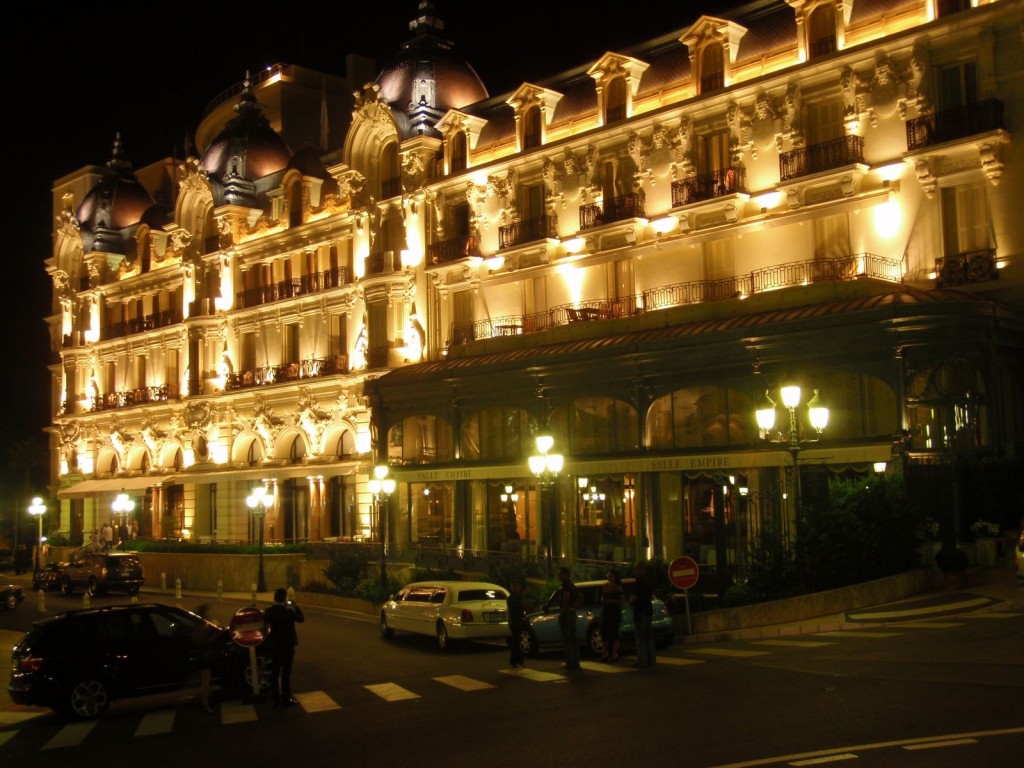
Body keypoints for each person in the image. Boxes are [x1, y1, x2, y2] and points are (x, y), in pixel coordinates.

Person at [264, 587, 305, 706]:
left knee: (274, 672)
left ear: (274, 598)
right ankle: (286, 697)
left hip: (274, 645)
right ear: (285, 598)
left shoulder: (268, 611)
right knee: (286, 673)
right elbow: (301, 619)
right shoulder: (289, 611)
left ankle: (275, 697)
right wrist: (295, 606)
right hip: (288, 645)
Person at [629, 561, 655, 668]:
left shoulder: (639, 581)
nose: (634, 571)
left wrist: (630, 602)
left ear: (640, 569)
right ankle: (651, 660)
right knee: (648, 637)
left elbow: (635, 596)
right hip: (648, 611)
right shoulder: (648, 581)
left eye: (636, 568)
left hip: (640, 612)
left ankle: (642, 660)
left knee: (640, 638)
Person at [191, 603, 216, 713]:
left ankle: (203, 701)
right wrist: (213, 638)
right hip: (202, 655)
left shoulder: (199, 624)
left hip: (201, 654)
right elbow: (200, 641)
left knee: (203, 679)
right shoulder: (200, 625)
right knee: (206, 680)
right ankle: (204, 703)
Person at [556, 566, 581, 670]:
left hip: (566, 614)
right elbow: (580, 597)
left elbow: (566, 597)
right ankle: (575, 661)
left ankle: (570, 661)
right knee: (573, 638)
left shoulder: (565, 586)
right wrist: (574, 607)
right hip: (572, 613)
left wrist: (565, 609)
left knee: (567, 639)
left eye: (560, 573)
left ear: (565, 574)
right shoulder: (572, 585)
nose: (558, 575)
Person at [599, 568, 624, 662]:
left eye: (611, 575)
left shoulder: (618, 587)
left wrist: (612, 601)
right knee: (604, 632)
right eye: (608, 575)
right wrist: (603, 600)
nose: (608, 577)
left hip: (614, 612)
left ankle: (614, 653)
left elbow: (622, 600)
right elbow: (602, 598)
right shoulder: (605, 586)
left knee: (614, 632)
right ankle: (605, 653)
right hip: (606, 611)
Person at [506, 580, 528, 668]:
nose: (515, 588)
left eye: (516, 586)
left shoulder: (518, 597)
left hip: (518, 621)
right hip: (514, 621)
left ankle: (517, 660)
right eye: (513, 587)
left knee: (517, 640)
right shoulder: (511, 599)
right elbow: (515, 608)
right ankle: (516, 660)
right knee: (516, 641)